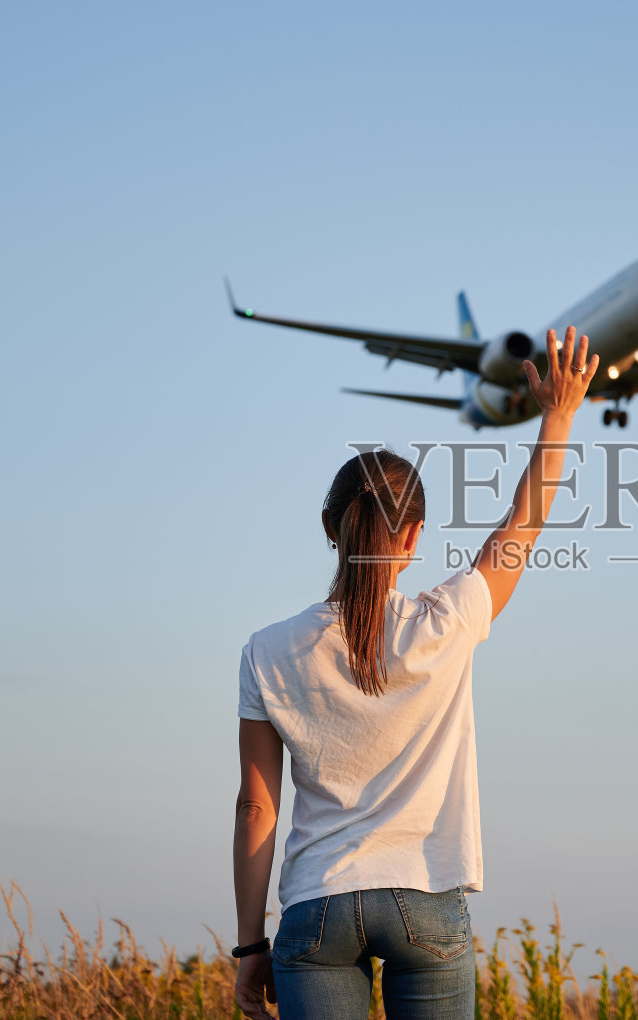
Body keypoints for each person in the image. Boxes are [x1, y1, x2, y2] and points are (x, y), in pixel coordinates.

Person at [232, 327, 600, 1020]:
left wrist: (250, 947)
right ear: (414, 536)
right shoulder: (449, 621)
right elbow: (521, 526)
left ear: (329, 527)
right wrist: (559, 413)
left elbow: (257, 808)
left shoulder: (266, 650)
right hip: (424, 899)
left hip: (315, 910)